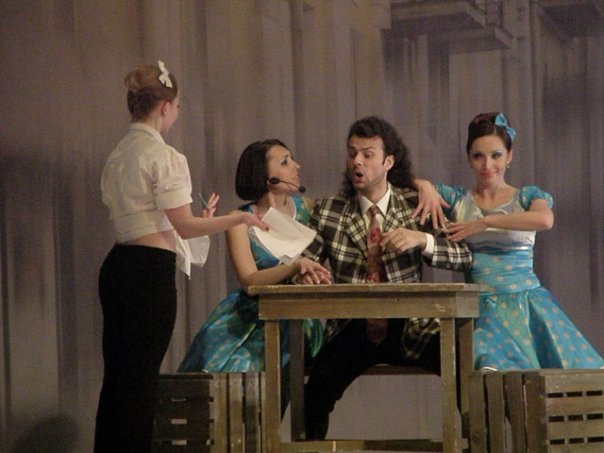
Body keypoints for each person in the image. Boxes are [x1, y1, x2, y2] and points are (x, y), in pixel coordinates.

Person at [96, 61, 267, 453]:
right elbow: (185, 227)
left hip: (119, 267)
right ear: (164, 107)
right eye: (176, 107)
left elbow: (160, 222)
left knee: (119, 382)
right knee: (141, 384)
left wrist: (201, 220)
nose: (176, 113)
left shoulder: (119, 154)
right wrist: (237, 218)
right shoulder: (165, 156)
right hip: (147, 275)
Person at [298, 116, 473, 440]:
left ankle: (477, 445)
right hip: (353, 327)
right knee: (314, 396)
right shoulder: (330, 210)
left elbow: (464, 256)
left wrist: (423, 240)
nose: (357, 161)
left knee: (465, 370)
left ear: (388, 161)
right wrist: (307, 272)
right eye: (352, 153)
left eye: (367, 154)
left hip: (411, 327)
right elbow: (306, 261)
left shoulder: (416, 204)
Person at [421, 111, 604, 370]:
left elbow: (544, 219)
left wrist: (485, 221)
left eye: (496, 155)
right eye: (478, 156)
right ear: (469, 159)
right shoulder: (458, 200)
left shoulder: (527, 196)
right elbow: (399, 179)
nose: (487, 165)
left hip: (527, 305)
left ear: (509, 156)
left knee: (568, 377)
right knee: (489, 369)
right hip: (481, 308)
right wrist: (424, 185)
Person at [178, 139, 331, 414]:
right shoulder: (240, 218)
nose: (296, 166)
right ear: (265, 175)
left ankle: (262, 429)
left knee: (267, 362)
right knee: (219, 363)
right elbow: (249, 280)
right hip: (251, 312)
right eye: (285, 162)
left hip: (296, 316)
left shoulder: (309, 209)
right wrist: (294, 266)